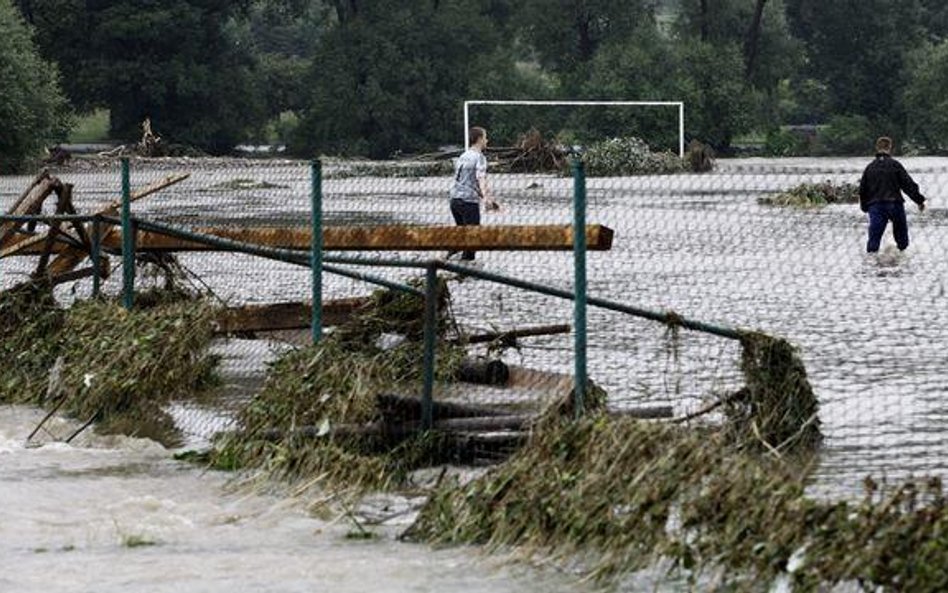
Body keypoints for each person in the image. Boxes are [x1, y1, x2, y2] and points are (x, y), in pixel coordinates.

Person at [858, 136, 926, 253]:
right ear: (890, 147)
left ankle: (871, 266)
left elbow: (863, 190)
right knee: (902, 242)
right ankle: (901, 260)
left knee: (873, 243)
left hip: (876, 206)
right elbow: (908, 184)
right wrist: (919, 200)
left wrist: (865, 207)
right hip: (894, 204)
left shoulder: (869, 168)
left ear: (877, 148)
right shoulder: (895, 165)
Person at [447, 126, 499, 261]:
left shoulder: (463, 156)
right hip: (468, 202)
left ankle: (450, 260)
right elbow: (480, 178)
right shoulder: (479, 157)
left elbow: (466, 180)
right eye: (485, 137)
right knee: (472, 240)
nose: (487, 140)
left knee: (462, 236)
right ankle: (466, 271)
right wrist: (487, 199)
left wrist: (487, 199)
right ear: (480, 139)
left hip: (455, 200)